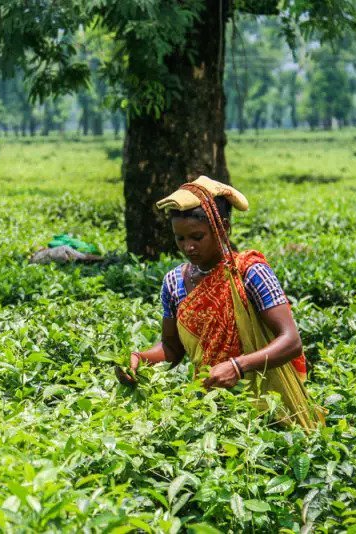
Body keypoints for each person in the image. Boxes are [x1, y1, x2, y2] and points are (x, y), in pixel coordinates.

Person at [120, 176, 324, 429]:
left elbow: (291, 342)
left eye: (197, 236)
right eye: (180, 239)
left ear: (222, 227)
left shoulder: (250, 272)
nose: (188, 247)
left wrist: (237, 366)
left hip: (267, 401)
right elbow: (172, 347)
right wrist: (141, 358)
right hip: (209, 402)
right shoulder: (173, 282)